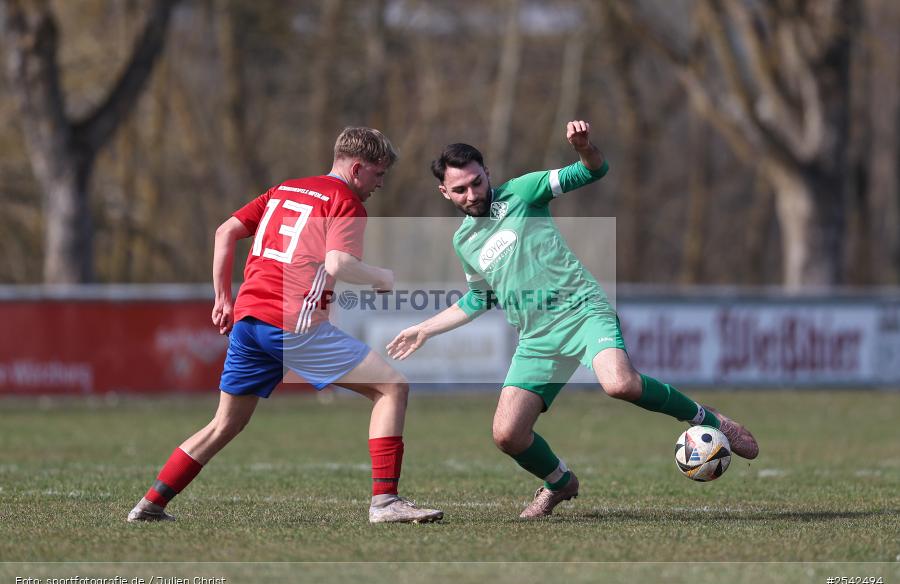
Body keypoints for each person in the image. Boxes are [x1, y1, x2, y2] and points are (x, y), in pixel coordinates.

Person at [386, 120, 758, 519]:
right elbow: (480, 298)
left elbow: (594, 170)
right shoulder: (464, 241)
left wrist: (584, 147)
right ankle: (560, 484)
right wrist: (425, 328)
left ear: (487, 173)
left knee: (620, 385)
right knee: (507, 435)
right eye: (460, 189)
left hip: (582, 312)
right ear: (445, 192)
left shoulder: (524, 192)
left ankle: (706, 417)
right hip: (536, 339)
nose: (471, 193)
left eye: (476, 182)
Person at [128, 127, 443, 524]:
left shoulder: (285, 189)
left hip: (248, 320)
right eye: (379, 175)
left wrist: (222, 297)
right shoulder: (345, 200)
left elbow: (225, 231)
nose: (380, 184)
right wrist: (382, 276)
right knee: (392, 387)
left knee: (226, 422)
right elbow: (339, 264)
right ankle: (385, 503)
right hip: (293, 322)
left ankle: (150, 504)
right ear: (358, 168)